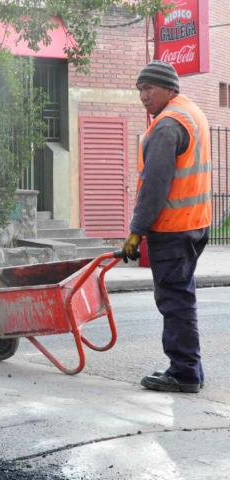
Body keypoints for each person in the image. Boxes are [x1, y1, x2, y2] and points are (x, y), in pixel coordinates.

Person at [123, 61, 211, 393]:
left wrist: (136, 230)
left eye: (149, 89)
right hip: (196, 223)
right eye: (140, 90)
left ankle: (184, 372)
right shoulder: (192, 112)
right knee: (182, 296)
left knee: (174, 300)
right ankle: (192, 368)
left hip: (174, 227)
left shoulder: (166, 126)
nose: (143, 96)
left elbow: (155, 185)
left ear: (169, 89)